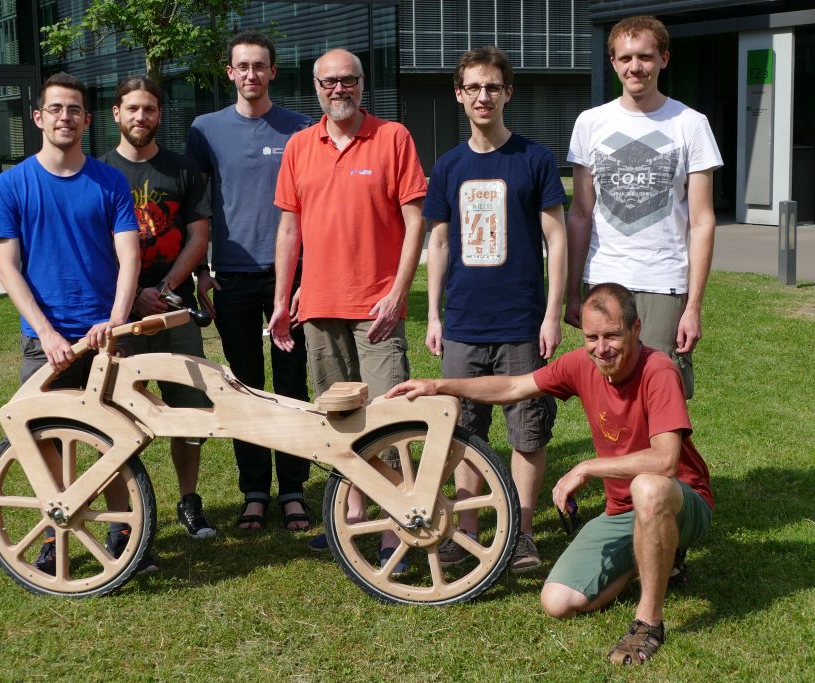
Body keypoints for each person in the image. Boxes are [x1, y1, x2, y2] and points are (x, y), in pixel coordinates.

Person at [387, 282, 713, 665]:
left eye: (612, 336)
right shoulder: (580, 363)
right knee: (557, 601)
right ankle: (657, 557)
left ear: (636, 328)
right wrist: (440, 384)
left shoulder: (659, 371)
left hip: (680, 500)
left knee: (649, 487)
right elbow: (512, 385)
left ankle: (648, 623)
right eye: (592, 337)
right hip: (625, 510)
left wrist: (587, 466)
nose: (601, 348)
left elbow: (665, 461)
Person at [268, 48, 427, 570]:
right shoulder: (298, 146)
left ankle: (398, 525)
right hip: (319, 305)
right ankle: (352, 519)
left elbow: (414, 222)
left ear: (363, 84)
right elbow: (289, 230)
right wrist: (280, 301)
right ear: (315, 87)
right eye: (329, 82)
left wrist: (400, 291)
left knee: (388, 420)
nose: (339, 90)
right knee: (337, 420)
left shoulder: (393, 138)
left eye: (348, 81)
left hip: (376, 306)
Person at [0, 72, 141, 574]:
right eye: (55, 109)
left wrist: (115, 323)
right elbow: (8, 267)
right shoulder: (13, 184)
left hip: (103, 337)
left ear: (87, 120)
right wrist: (48, 333)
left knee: (115, 438)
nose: (65, 117)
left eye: (74, 109)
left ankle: (124, 532)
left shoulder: (110, 181)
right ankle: (58, 533)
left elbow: (129, 257)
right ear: (38, 118)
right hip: (44, 342)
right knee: (45, 441)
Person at [422, 46, 568, 572]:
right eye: (473, 88)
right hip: (463, 324)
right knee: (464, 432)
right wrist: (435, 315)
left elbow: (556, 239)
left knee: (527, 430)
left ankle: (524, 533)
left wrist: (552, 315)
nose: (483, 96)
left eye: (492, 87)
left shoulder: (535, 159)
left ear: (508, 93)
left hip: (521, 324)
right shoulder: (448, 166)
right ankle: (467, 530)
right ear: (460, 96)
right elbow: (438, 244)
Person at [184, 31, 314, 532]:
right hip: (233, 278)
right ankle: (255, 493)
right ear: (230, 72)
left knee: (292, 385)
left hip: (292, 277)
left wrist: (310, 277)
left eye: (260, 66)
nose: (251, 74)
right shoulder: (206, 129)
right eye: (243, 66)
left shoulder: (301, 128)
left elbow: (314, 210)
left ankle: (295, 491)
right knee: (245, 386)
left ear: (272, 72)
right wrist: (200, 271)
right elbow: (195, 209)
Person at [564, 15, 722, 399]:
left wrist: (693, 306)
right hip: (604, 276)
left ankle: (668, 462)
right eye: (626, 58)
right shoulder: (590, 123)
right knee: (609, 395)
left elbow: (702, 221)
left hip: (663, 282)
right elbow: (581, 213)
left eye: (646, 57)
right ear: (613, 62)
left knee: (662, 392)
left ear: (664, 59)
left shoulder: (690, 123)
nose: (636, 67)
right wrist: (571, 291)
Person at [100, 75, 218, 545]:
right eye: (132, 109)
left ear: (159, 115)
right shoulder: (99, 172)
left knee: (189, 412)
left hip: (175, 310)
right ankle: (123, 513)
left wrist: (165, 287)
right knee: (115, 413)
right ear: (116, 113)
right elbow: (95, 249)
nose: (140, 118)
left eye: (148, 109)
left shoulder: (183, 170)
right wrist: (132, 296)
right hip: (121, 315)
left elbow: (199, 236)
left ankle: (189, 500)